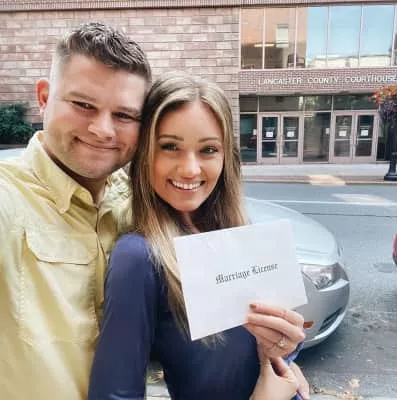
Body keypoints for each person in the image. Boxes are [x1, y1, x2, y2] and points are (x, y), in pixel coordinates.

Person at [88, 72, 308, 400]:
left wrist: (284, 349)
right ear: (146, 152)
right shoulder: (139, 258)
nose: (190, 169)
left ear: (225, 156)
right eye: (170, 147)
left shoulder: (235, 233)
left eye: (208, 149)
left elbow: (261, 355)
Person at [0, 22, 152, 400]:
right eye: (83, 105)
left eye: (124, 115)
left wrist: (270, 349)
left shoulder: (143, 205)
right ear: (44, 97)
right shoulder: (8, 199)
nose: (102, 129)